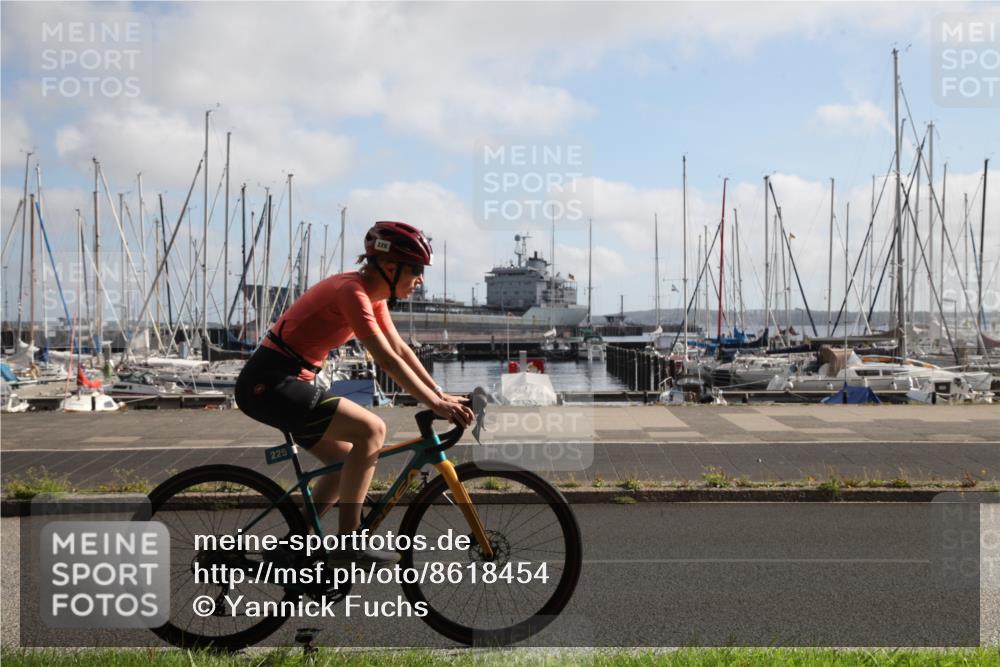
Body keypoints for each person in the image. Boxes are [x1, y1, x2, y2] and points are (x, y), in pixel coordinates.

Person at [235, 221, 474, 565]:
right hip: (271, 383)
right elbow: (385, 358)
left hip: (290, 382)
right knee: (371, 430)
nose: (421, 279)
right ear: (390, 268)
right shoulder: (352, 292)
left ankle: (294, 544)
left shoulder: (373, 298)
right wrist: (434, 402)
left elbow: (403, 351)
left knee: (343, 462)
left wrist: (441, 394)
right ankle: (349, 542)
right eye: (417, 270)